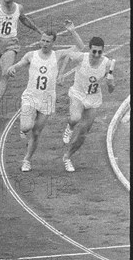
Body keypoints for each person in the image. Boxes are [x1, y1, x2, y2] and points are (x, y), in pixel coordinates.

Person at [6, 20, 84, 172]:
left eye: (48, 41)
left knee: (36, 133)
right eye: (42, 40)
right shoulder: (31, 55)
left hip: (47, 99)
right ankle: (23, 128)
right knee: (26, 127)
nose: (44, 43)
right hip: (30, 96)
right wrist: (12, 68)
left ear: (53, 42)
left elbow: (80, 47)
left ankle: (27, 160)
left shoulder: (57, 55)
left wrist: (73, 31)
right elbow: (19, 64)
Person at [60, 36, 116, 172]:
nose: (96, 55)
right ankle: (69, 127)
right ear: (89, 49)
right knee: (75, 118)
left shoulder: (107, 64)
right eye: (94, 51)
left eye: (99, 52)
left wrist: (110, 82)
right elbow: (67, 56)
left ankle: (67, 157)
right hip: (78, 94)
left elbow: (111, 89)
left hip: (93, 99)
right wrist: (61, 74)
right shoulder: (81, 58)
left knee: (83, 133)